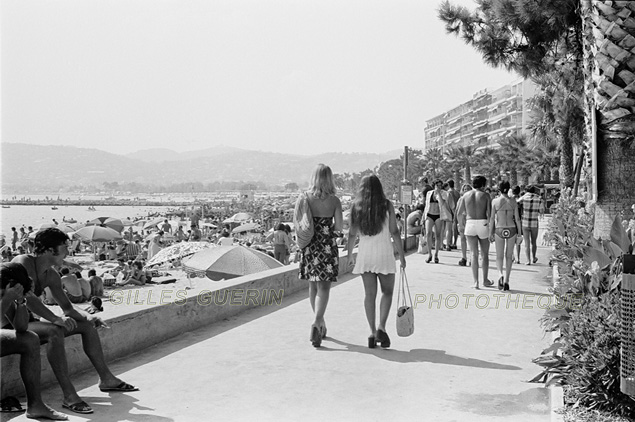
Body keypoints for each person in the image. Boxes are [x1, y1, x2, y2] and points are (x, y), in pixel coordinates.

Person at [12, 228, 138, 415]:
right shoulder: (23, 262)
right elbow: (27, 298)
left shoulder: (52, 275)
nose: (68, 251)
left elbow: (68, 308)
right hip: (10, 322)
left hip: (29, 321)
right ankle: (69, 395)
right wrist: (56, 319)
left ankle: (107, 379)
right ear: (49, 249)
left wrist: (89, 316)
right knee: (54, 331)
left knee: (86, 327)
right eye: (64, 246)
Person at [0, 262, 68, 420]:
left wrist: (20, 301)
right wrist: (6, 299)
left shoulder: (5, 293)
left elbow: (21, 328)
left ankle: (36, 406)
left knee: (30, 339)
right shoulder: (4, 292)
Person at [346, 175, 405, 349]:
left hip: (365, 254)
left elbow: (351, 234)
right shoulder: (386, 205)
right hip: (384, 254)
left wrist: (349, 255)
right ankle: (381, 327)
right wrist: (401, 255)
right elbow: (394, 231)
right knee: (387, 292)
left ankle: (371, 333)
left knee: (369, 295)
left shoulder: (356, 207)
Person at [298, 164, 343, 348]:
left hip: (310, 246)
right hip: (327, 246)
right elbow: (339, 227)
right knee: (324, 288)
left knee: (312, 286)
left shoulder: (305, 198)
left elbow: (300, 222)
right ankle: (317, 323)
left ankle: (320, 322)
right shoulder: (334, 201)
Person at [457, 175, 493, 289]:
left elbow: (458, 213)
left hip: (470, 223)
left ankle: (475, 282)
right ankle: (485, 280)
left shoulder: (465, 196)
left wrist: (461, 226)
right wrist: (492, 230)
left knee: (473, 254)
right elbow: (490, 214)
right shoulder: (486, 195)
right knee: (485, 254)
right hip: (482, 223)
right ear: (483, 185)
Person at [489, 181, 522, 291]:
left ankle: (500, 275)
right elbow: (517, 219)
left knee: (499, 256)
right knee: (509, 256)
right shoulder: (514, 202)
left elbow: (492, 219)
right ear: (508, 189)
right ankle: (507, 281)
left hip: (499, 229)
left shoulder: (495, 201)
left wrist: (490, 233)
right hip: (511, 229)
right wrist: (520, 234)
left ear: (499, 188)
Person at [423, 179, 450, 264]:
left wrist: (439, 194)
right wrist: (423, 217)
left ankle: (436, 254)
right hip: (429, 214)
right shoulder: (429, 193)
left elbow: (442, 204)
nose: (439, 187)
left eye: (440, 186)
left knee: (438, 235)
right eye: (437, 185)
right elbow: (426, 205)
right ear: (434, 185)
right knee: (428, 233)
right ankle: (430, 254)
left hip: (439, 215)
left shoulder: (444, 194)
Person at [520, 185, 544, 265]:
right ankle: (534, 257)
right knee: (534, 242)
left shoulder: (523, 198)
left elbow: (516, 203)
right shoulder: (539, 199)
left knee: (526, 242)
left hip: (525, 223)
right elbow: (541, 211)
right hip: (534, 223)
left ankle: (528, 260)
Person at [455, 183, 472, 267]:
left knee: (471, 240)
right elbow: (457, 211)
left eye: (468, 189)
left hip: (470, 219)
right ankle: (464, 257)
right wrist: (459, 223)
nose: (466, 190)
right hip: (462, 219)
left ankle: (471, 258)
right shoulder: (461, 199)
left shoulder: (473, 199)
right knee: (462, 239)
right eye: (465, 189)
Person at [446, 180, 461, 250]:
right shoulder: (457, 193)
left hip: (450, 211)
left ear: (448, 184)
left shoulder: (448, 193)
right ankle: (454, 242)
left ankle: (449, 243)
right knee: (455, 228)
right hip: (456, 211)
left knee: (449, 229)